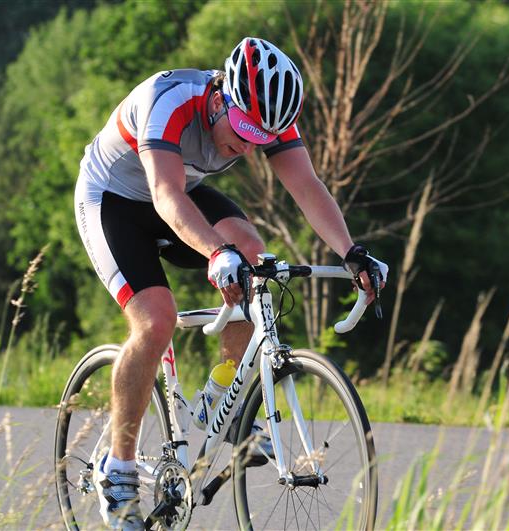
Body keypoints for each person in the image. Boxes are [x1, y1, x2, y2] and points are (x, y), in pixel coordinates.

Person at [73, 37, 388, 529]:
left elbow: (307, 187)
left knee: (255, 259)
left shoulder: (269, 118)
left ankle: (223, 395)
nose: (247, 146)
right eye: (242, 130)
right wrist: (216, 252)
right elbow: (165, 193)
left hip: (178, 196)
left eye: (260, 139)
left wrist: (350, 253)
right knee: (156, 321)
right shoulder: (169, 101)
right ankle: (118, 472)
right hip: (113, 201)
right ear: (220, 97)